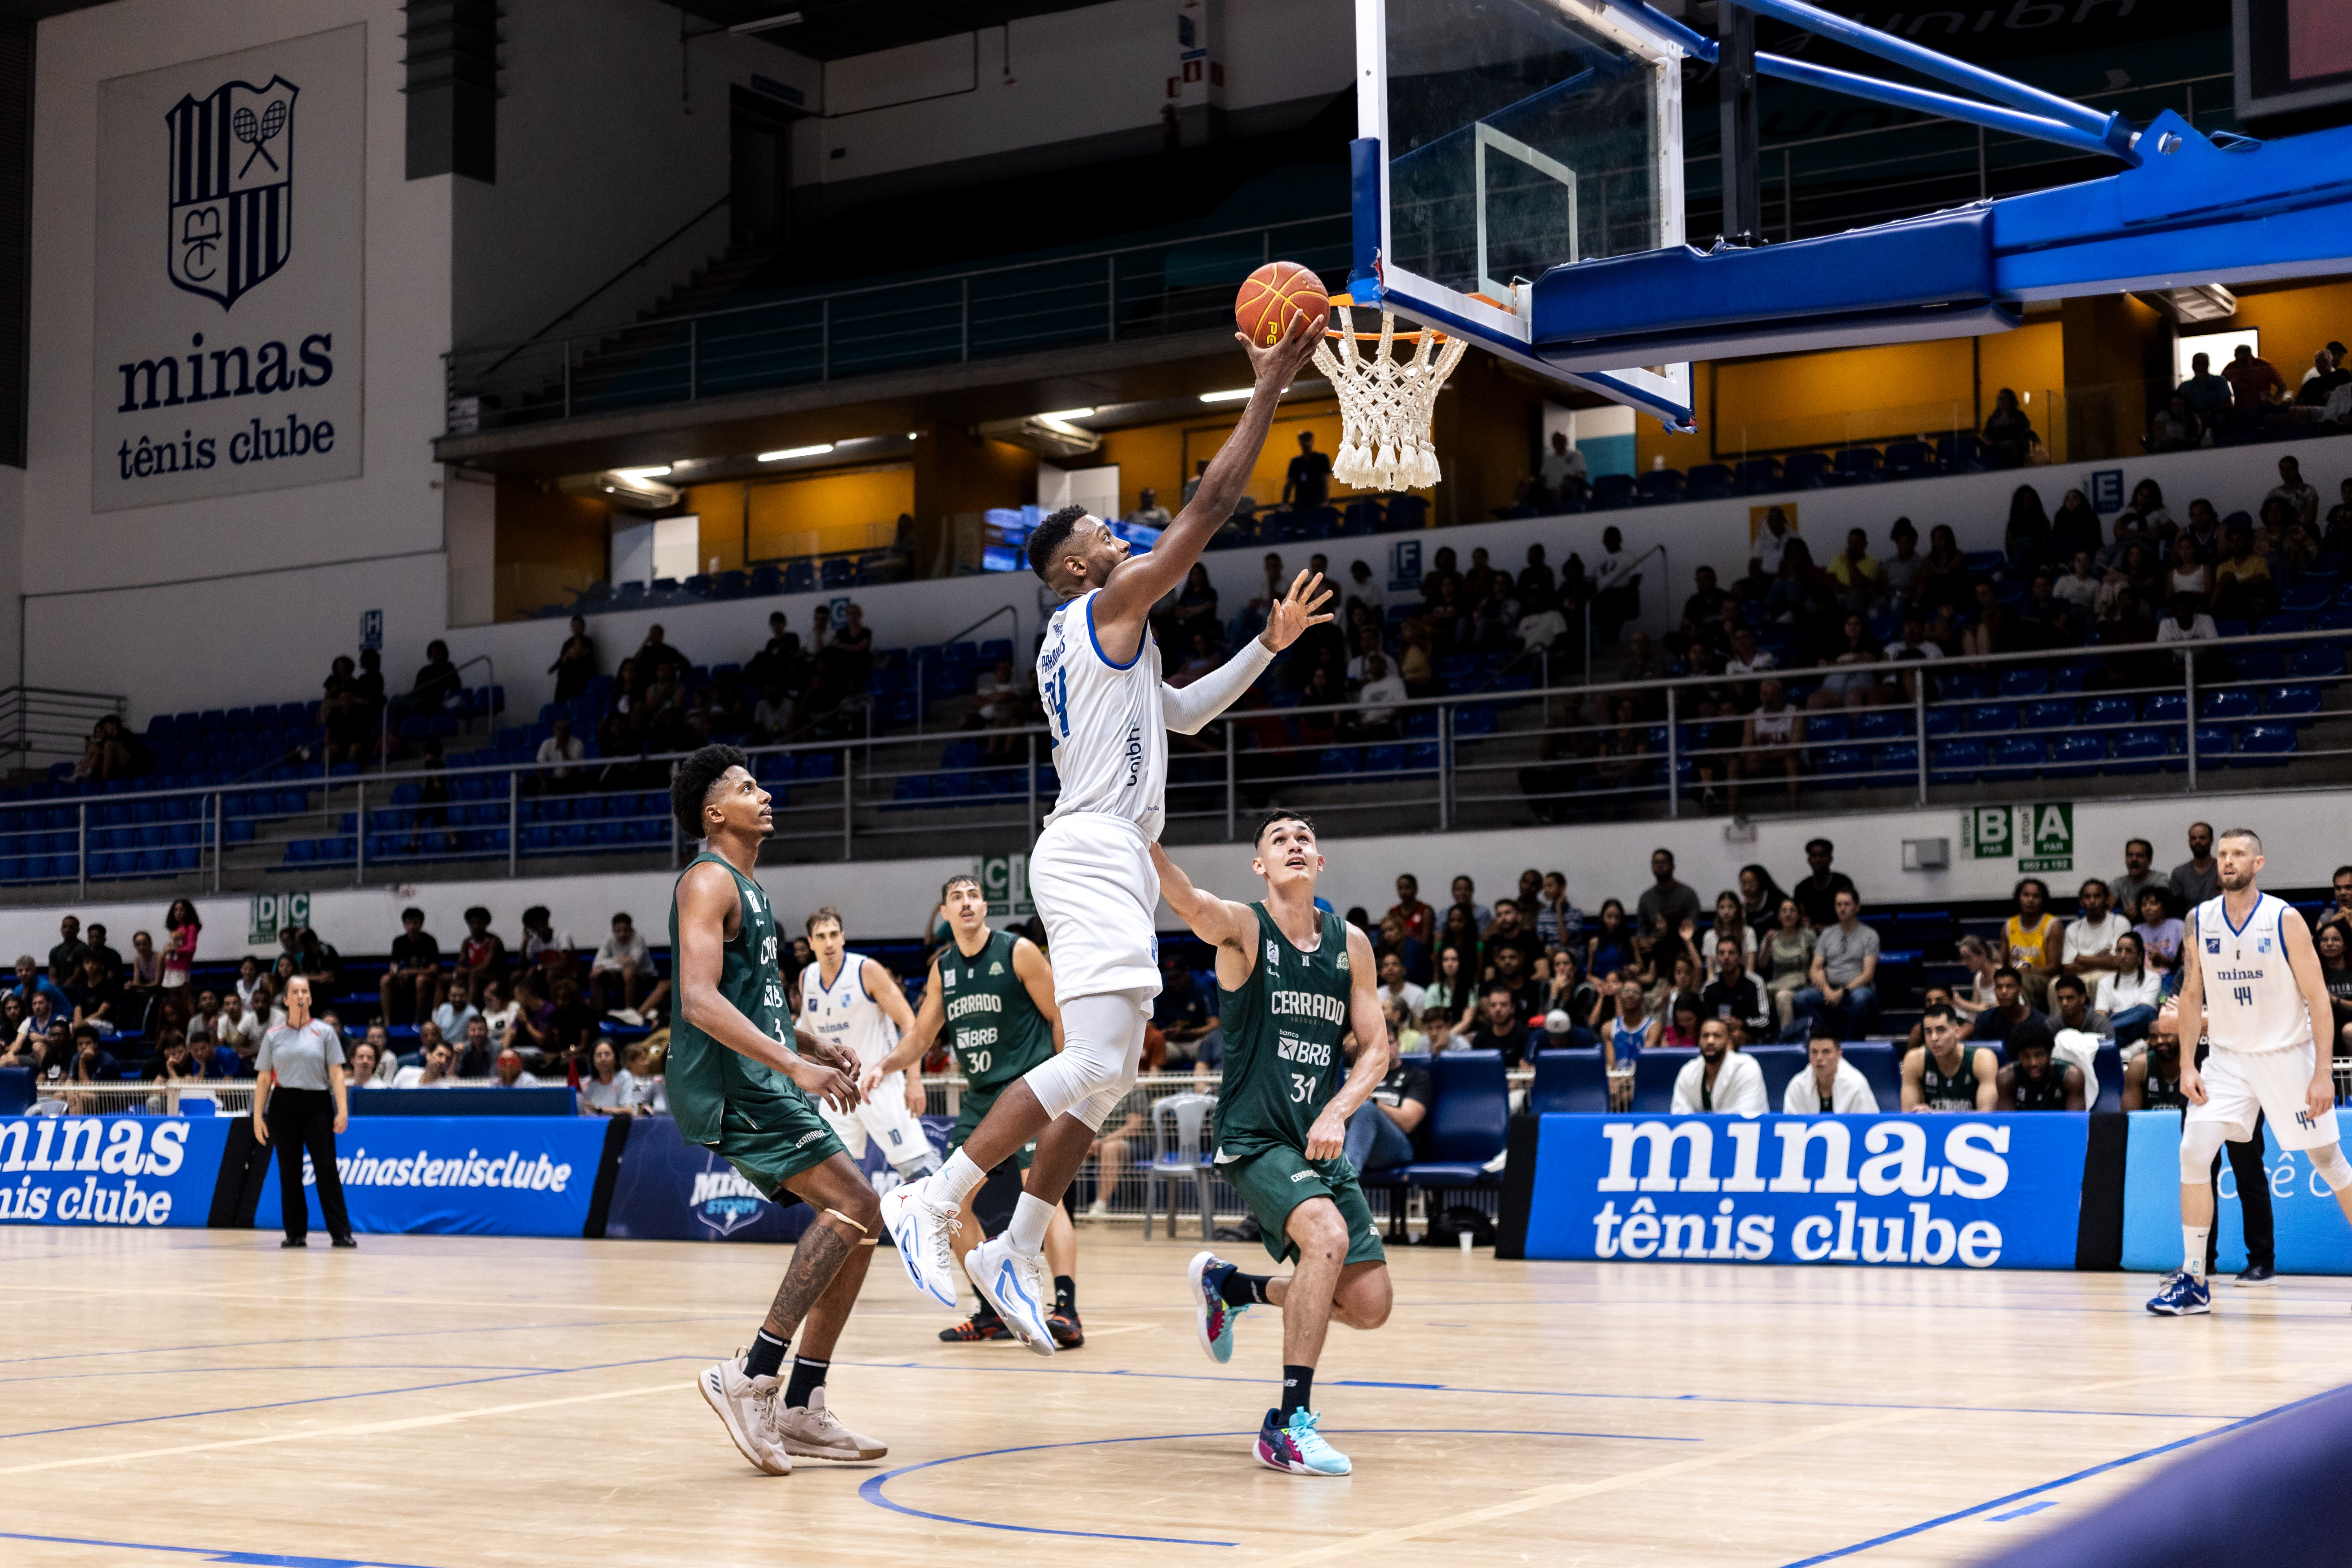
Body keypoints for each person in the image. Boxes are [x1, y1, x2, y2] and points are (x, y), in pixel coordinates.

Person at [879, 311, 1327, 1352]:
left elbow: (1184, 714)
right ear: (1077, 570)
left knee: (1111, 1070)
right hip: (1089, 845)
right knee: (1088, 1063)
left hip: (1109, 851)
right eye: (1099, 536)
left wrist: (1264, 643)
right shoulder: (1104, 609)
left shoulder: (1104, 641)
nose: (1118, 536)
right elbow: (1208, 510)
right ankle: (933, 1197)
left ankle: (1010, 1249)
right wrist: (1264, 387)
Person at [670, 744, 889, 1475]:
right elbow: (699, 999)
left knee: (861, 1220)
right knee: (857, 1202)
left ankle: (800, 1401)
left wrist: (810, 1041)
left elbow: (756, 999)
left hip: (765, 1074)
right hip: (733, 1083)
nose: (763, 794)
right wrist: (791, 1062)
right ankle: (751, 1372)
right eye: (744, 786)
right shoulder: (706, 879)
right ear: (713, 812)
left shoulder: (752, 889)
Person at [1154, 813, 1393, 1477]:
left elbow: (1377, 1047)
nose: (1294, 843)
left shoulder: (1351, 945)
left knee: (1368, 1305)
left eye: (1304, 837)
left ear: (1320, 862)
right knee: (1325, 1238)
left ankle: (1231, 1288)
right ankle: (1287, 1426)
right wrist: (1145, 837)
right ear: (1260, 866)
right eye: (1278, 839)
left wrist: (1340, 1110)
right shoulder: (1243, 929)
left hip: (1317, 1138)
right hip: (1256, 1135)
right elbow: (1187, 901)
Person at [862, 873, 1077, 1346]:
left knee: (1042, 1195)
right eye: (956, 898)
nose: (965, 903)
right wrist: (886, 1066)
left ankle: (1066, 1310)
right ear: (944, 914)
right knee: (951, 1202)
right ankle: (991, 1309)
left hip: (1031, 1089)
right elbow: (920, 1037)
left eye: (973, 896)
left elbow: (1059, 1013)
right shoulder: (944, 969)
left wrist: (1070, 1085)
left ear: (984, 908)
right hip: (982, 1099)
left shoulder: (1017, 951)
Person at [2149, 827, 2352, 1315]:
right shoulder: (2199, 919)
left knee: (2328, 1163)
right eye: (2222, 855)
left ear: (2257, 863)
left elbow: (2318, 1002)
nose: (2227, 861)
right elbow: (2191, 994)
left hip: (2286, 1056)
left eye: (2237, 854)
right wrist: (2184, 1064)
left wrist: (2322, 1071)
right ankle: (2194, 1279)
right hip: (2226, 1061)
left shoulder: (2283, 920)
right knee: (2192, 1151)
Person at [795, 907, 938, 1187]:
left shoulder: (867, 970)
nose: (829, 943)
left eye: (834, 934)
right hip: (838, 1090)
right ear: (810, 943)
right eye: (821, 936)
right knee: (835, 1180)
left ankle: (938, 1229)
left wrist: (914, 1080)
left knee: (921, 1174)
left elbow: (911, 1024)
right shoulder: (806, 978)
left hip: (879, 1082)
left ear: (844, 938)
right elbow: (806, 1040)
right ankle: (857, 1232)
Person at [251, 977, 354, 1249]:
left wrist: (342, 1111)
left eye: (305, 992)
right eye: (295, 992)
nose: (300, 996)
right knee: (289, 1171)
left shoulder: (325, 1032)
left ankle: (341, 1233)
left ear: (310, 998)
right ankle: (295, 1233)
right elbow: (264, 1079)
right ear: (285, 1000)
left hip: (317, 1103)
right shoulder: (273, 1036)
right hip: (284, 1104)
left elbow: (336, 1073)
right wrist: (257, 1116)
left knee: (326, 1168)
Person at [1788, 890, 1879, 1039]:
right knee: (1800, 999)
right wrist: (1827, 991)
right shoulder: (1827, 934)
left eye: (1847, 904)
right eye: (1839, 905)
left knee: (1860, 1000)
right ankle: (1825, 1036)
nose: (1842, 908)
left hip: (1857, 989)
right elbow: (1815, 969)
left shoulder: (1870, 935)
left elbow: (1868, 975)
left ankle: (1851, 1043)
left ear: (1857, 907)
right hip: (1830, 987)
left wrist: (1842, 992)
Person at [1903, 1001, 1999, 1111]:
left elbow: (1986, 1116)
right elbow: (1907, 1117)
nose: (1934, 1038)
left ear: (1957, 1032)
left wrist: (1936, 1115)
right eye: (1928, 1032)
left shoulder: (1982, 1059)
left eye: (1941, 1030)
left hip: (1971, 1127)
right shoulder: (1915, 1060)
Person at [1670, 1019, 1766, 1115]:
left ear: (1729, 1042)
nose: (1710, 1041)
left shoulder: (1746, 1067)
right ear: (1699, 1041)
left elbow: (1746, 1116)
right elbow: (1680, 1115)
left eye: (1717, 1036)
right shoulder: (1688, 1071)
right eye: (1705, 1036)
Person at [1598, 975, 1658, 1111]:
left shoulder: (1653, 1028)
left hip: (1643, 1082)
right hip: (1617, 1084)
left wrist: (1627, 1086)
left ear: (1643, 998)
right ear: (1620, 997)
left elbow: (1645, 1064)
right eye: (1626, 992)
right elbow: (1611, 1067)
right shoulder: (1608, 1028)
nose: (1630, 995)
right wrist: (1615, 1086)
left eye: (1636, 992)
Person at [1996, 1018, 2085, 1110]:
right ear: (2018, 1057)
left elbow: (2075, 1123)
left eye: (2039, 1055)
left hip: (2061, 1125)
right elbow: (2006, 1123)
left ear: (2050, 1054)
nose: (2033, 1063)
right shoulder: (2007, 1079)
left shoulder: (2071, 1077)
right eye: (2026, 1056)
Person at [2003, 877, 2064, 1008]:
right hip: (2015, 977)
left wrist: (2025, 972)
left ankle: (2023, 1022)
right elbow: (2004, 964)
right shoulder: (2009, 926)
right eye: (2026, 895)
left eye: (2036, 896)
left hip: (2043, 979)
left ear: (2043, 900)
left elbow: (2054, 969)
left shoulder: (2052, 925)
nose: (2030, 900)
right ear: (2019, 898)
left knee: (2021, 983)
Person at [2096, 931, 2166, 1045]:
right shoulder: (2105, 982)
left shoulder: (2153, 978)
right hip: (2117, 1033)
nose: (2123, 955)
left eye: (2128, 951)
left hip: (2140, 1031)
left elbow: (2143, 1013)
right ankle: (2124, 1044)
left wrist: (2110, 1024)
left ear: (2139, 956)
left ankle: (2116, 1041)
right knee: (2100, 1022)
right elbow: (2101, 1014)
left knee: (2146, 1012)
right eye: (2119, 951)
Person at [1700, 937, 1774, 1040]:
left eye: (1731, 953)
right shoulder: (1709, 987)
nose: (1726, 957)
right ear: (1717, 958)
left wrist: (1742, 1023)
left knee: (1736, 1036)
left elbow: (1765, 1020)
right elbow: (1702, 1020)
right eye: (1722, 953)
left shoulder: (1755, 982)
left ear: (1740, 957)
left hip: (1750, 1035)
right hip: (1717, 1035)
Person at [1784, 1036, 1878, 1114]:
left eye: (1826, 1052)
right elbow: (1790, 1128)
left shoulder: (1856, 1084)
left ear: (1839, 1055)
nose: (1819, 1058)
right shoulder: (1797, 1085)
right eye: (1814, 1052)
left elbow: (1867, 1125)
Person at [379, 907, 440, 1026]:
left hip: (426, 985)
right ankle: (387, 1022)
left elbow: (434, 969)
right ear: (404, 924)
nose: (412, 926)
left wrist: (412, 972)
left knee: (420, 980)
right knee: (385, 980)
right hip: (404, 984)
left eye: (415, 922)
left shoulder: (429, 941)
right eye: (408, 923)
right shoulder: (399, 942)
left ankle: (418, 1021)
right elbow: (394, 966)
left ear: (421, 924)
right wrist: (396, 974)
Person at [2061, 879, 2131, 978]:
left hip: (2109, 976)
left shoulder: (2120, 923)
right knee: (2054, 983)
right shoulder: (2073, 928)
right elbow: (2067, 968)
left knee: (2097, 979)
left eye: (2097, 896)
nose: (2092, 901)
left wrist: (2081, 959)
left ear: (2107, 900)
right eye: (2087, 897)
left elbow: (2119, 962)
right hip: (2079, 977)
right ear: (2081, 902)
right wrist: (2101, 960)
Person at [591, 912, 653, 1019]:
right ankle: (600, 1014)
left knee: (628, 973)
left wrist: (607, 964)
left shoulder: (638, 939)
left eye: (626, 930)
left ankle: (630, 1013)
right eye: (618, 931)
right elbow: (597, 963)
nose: (622, 934)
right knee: (595, 975)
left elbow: (634, 963)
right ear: (613, 930)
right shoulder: (609, 940)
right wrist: (618, 961)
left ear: (631, 929)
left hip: (644, 977)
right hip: (620, 976)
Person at [1790, 839, 1857, 931]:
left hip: (1841, 934)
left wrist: (1826, 929)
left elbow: (1850, 915)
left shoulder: (1843, 883)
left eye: (1823, 855)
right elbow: (1799, 918)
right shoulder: (1802, 888)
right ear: (1809, 860)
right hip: (1811, 938)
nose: (1819, 859)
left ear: (1831, 858)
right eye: (1814, 856)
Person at [579, 1039, 639, 1116]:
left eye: (607, 1054)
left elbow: (630, 1110)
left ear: (616, 1058)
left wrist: (599, 1110)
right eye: (599, 1055)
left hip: (618, 1125)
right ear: (593, 1061)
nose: (603, 1059)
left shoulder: (624, 1077)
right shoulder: (588, 1083)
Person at [2170, 822, 2219, 907]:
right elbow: (2176, 908)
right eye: (2193, 838)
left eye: (2202, 838)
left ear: (2211, 840)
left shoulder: (2222, 870)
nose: (2198, 841)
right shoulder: (2179, 873)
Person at [2114, 838, 2164, 915]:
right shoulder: (2118, 883)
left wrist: (2139, 906)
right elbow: (2106, 907)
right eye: (2130, 855)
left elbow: (2163, 903)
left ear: (2150, 861)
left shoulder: (2159, 879)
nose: (2134, 859)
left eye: (2140, 856)